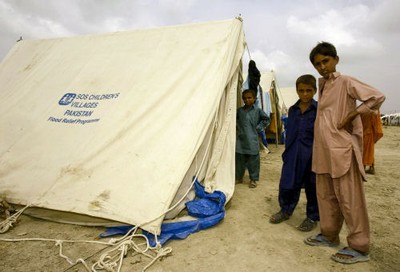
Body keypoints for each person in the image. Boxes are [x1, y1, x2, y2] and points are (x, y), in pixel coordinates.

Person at [304, 42, 385, 264]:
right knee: (326, 196)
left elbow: (376, 97)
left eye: (326, 61)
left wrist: (352, 115)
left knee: (350, 200)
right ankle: (329, 234)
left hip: (342, 150)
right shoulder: (323, 85)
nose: (322, 67)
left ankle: (359, 247)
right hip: (323, 151)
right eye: (317, 64)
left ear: (336, 59)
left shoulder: (346, 81)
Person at [269, 74, 319, 232]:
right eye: (301, 90)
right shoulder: (293, 110)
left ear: (315, 90)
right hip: (292, 154)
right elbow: (290, 133)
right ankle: (285, 210)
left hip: (312, 156)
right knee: (287, 184)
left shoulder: (320, 110)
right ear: (297, 91)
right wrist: (286, 153)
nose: (305, 94)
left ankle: (312, 217)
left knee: (313, 187)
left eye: (308, 90)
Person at [236, 89, 270, 188]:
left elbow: (266, 119)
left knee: (253, 160)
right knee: (239, 160)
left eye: (249, 98)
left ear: (254, 99)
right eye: (245, 98)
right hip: (240, 140)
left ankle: (253, 179)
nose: (247, 100)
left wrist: (258, 128)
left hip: (252, 139)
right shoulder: (240, 111)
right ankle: (239, 177)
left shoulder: (258, 110)